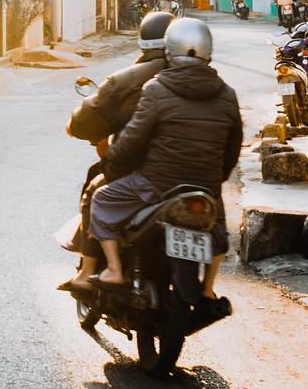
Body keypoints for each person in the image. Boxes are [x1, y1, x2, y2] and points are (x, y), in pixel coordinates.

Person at [84, 16, 243, 301]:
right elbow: (232, 150)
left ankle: (115, 270)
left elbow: (132, 139)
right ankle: (207, 289)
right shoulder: (228, 94)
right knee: (217, 231)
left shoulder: (156, 89)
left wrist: (112, 167)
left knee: (101, 199)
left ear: (169, 51)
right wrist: (214, 181)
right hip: (205, 189)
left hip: (155, 185)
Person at [60, 11, 170, 295]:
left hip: (145, 174)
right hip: (197, 176)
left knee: (95, 194)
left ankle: (88, 271)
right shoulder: (207, 79)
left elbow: (89, 120)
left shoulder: (133, 79)